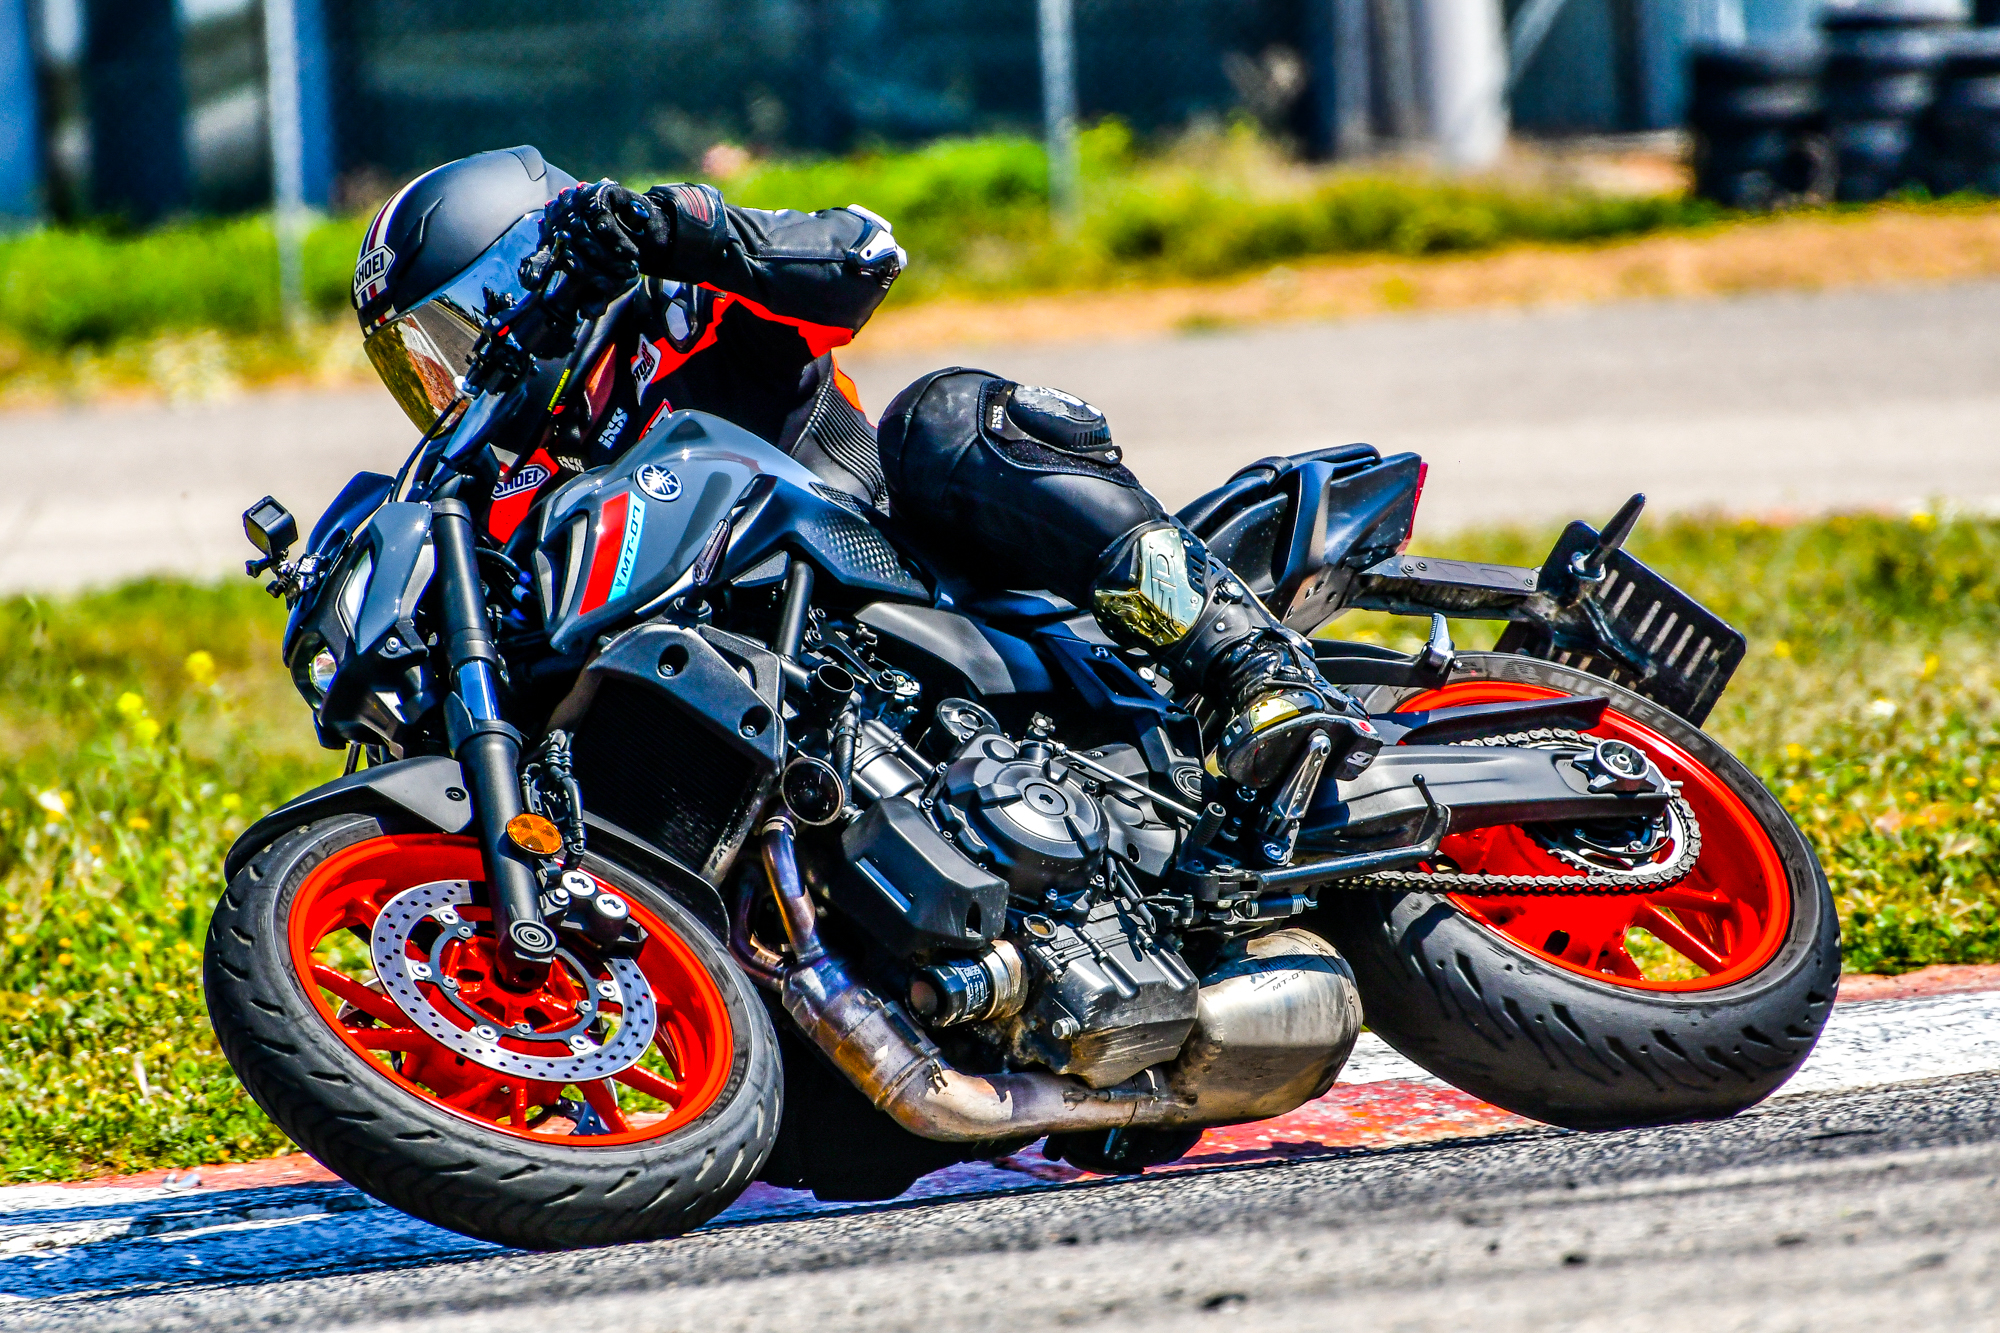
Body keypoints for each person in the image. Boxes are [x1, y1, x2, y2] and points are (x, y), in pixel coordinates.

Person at [355, 146, 1375, 790]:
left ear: (530, 269)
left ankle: (1245, 660)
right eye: (419, 362)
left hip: (925, 580)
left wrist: (682, 232)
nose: (458, 376)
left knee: (939, 415)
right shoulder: (520, 499)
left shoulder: (684, 315)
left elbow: (860, 255)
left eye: (458, 332)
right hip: (791, 731)